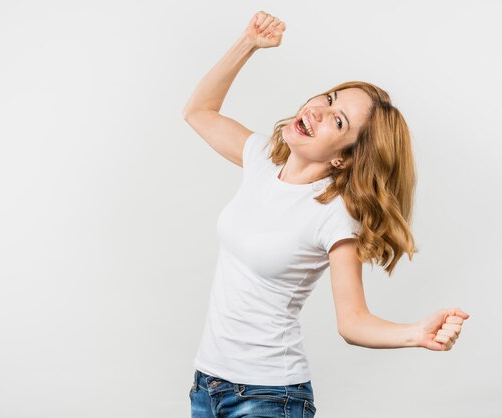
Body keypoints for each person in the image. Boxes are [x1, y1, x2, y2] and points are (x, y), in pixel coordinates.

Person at [182, 10, 470, 417]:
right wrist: (247, 42)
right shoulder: (262, 160)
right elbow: (199, 111)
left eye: (337, 121)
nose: (318, 110)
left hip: (268, 398)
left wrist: (417, 333)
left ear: (343, 159)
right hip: (206, 385)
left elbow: (352, 321)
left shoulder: (334, 215)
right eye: (330, 99)